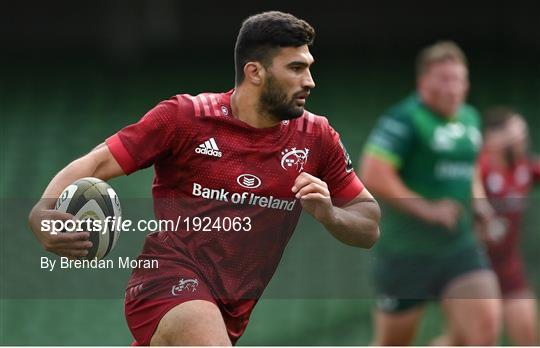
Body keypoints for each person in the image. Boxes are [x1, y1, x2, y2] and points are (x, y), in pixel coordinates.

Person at [28, 11, 380, 346]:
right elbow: (97, 162)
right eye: (296, 68)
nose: (309, 81)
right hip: (165, 282)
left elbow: (369, 223)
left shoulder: (317, 137)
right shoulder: (185, 118)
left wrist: (329, 214)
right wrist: (41, 214)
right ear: (255, 72)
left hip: (231, 309)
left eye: (309, 68)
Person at [359, 41, 501, 345]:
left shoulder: (470, 119)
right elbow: (374, 173)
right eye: (444, 79)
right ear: (424, 82)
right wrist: (427, 209)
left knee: (483, 330)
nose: (453, 88)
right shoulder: (405, 119)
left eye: (459, 80)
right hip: (408, 253)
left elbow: (470, 168)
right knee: (393, 343)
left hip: (458, 248)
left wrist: (480, 204)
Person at [479, 107, 539, 345]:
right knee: (471, 340)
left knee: (527, 336)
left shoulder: (523, 167)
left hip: (510, 269)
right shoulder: (478, 170)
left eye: (524, 135)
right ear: (493, 138)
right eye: (516, 135)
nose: (522, 140)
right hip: (476, 269)